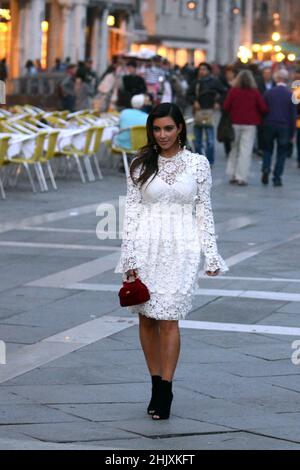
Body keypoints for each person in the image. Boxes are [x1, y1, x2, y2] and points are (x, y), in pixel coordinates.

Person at [114, 102, 228, 420]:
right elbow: (132, 213)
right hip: (145, 245)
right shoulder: (139, 164)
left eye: (168, 128)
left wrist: (211, 253)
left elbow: (204, 211)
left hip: (183, 247)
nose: (162, 135)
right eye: (157, 129)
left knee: (169, 317)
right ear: (151, 131)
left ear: (180, 129)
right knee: (147, 317)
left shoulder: (198, 164)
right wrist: (129, 256)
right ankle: (154, 382)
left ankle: (166, 388)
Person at [224, 70, 268, 186]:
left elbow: (226, 106)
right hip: (250, 124)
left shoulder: (233, 91)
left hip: (235, 123)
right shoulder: (254, 92)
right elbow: (263, 108)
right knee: (246, 151)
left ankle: (232, 174)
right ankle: (241, 177)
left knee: (234, 149)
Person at [262, 69, 297, 186]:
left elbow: (263, 110)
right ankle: (277, 177)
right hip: (284, 126)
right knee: (281, 153)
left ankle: (266, 168)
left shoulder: (268, 92)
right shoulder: (290, 94)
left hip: (269, 124)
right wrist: (292, 133)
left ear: (276, 79)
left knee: (267, 149)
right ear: (286, 80)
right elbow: (293, 115)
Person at [187, 62, 226, 165]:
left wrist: (218, 102)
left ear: (208, 70)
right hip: (198, 112)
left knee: (211, 141)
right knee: (198, 141)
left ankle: (209, 161)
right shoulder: (196, 82)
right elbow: (188, 94)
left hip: (209, 112)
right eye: (200, 69)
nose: (202, 71)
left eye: (204, 69)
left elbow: (224, 92)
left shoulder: (214, 81)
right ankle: (201, 161)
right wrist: (194, 101)